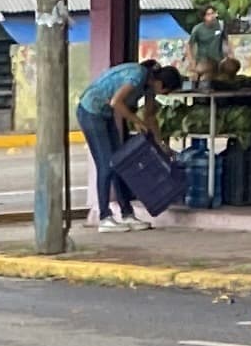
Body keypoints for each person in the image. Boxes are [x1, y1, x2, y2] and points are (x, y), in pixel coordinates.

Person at [76, 58, 180, 231]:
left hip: (105, 114)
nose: (165, 95)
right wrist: (135, 121)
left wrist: (160, 143)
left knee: (120, 163)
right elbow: (116, 102)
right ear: (160, 82)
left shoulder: (149, 87)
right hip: (91, 111)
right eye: (166, 91)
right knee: (106, 165)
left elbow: (150, 117)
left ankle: (127, 214)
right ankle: (104, 217)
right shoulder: (137, 75)